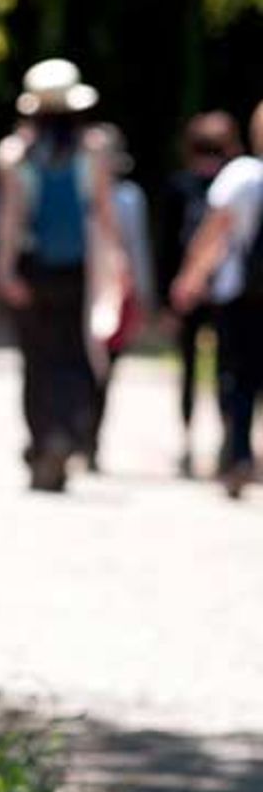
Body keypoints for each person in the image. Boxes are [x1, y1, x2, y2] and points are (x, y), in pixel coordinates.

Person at [0, 59, 129, 492]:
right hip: (79, 270)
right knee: (75, 356)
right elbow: (105, 216)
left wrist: (4, 270)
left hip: (34, 270)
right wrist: (117, 269)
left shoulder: (15, 154)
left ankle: (42, 440)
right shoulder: (93, 152)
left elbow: (11, 221)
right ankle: (65, 436)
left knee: (36, 360)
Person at [172, 101, 263, 500]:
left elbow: (214, 232)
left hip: (241, 295)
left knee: (238, 377)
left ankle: (239, 453)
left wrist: (189, 279)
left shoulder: (242, 175)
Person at [157, 112, 243, 476]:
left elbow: (167, 247)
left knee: (189, 369)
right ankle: (230, 442)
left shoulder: (180, 185)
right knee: (229, 369)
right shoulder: (236, 181)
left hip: (187, 290)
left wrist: (168, 298)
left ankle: (188, 441)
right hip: (229, 289)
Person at [87, 123, 151, 471]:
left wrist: (140, 296)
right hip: (94, 291)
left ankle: (90, 441)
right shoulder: (122, 198)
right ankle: (84, 440)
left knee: (102, 371)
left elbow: (137, 250)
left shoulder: (126, 198)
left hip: (112, 291)